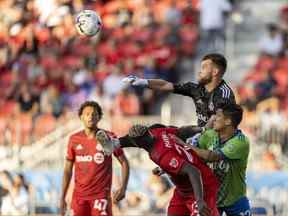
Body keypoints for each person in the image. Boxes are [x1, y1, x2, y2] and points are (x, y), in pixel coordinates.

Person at [96, 124, 220, 216]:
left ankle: (113, 144)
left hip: (202, 187)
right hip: (183, 190)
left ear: (140, 144)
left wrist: (199, 199)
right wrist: (201, 128)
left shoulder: (161, 155)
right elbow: (182, 131)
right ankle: (113, 144)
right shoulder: (158, 131)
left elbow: (193, 171)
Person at [122, 53, 236, 127]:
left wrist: (201, 135)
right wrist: (143, 82)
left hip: (220, 142)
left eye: (204, 68)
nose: (199, 71)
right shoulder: (195, 89)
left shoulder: (224, 94)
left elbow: (218, 119)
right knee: (168, 131)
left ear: (215, 72)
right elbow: (165, 85)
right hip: (203, 136)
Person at [60, 101, 130, 216]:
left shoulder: (109, 137)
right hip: (79, 199)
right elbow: (67, 170)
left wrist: (123, 188)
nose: (90, 117)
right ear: (81, 117)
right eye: (87, 114)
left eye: (94, 114)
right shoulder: (74, 139)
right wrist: (62, 197)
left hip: (101, 197)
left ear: (99, 117)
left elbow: (124, 162)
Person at [189, 103, 251, 215]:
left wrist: (186, 146)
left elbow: (212, 157)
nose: (214, 119)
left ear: (228, 121)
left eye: (218, 116)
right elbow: (189, 155)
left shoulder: (241, 141)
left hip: (235, 201)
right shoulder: (209, 135)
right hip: (212, 199)